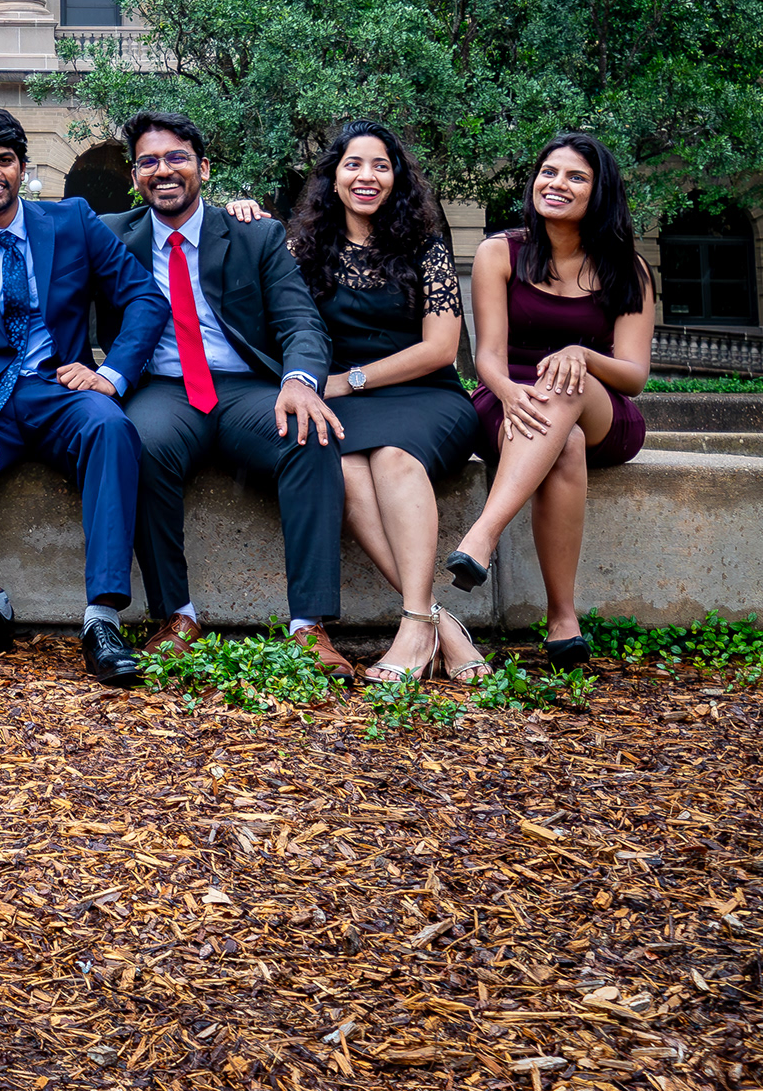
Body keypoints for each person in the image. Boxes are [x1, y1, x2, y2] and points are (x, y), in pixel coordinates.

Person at [0, 107, 169, 685]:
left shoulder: (71, 221)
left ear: (22, 167)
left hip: (59, 387)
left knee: (112, 428)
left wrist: (112, 375)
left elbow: (145, 298)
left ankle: (101, 618)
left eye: (3, 160)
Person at [225, 122, 487, 684]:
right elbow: (245, 286)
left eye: (380, 165)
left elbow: (440, 348)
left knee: (394, 458)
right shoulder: (300, 247)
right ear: (332, 178)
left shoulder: (426, 248)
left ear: (397, 179)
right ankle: (441, 625)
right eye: (353, 165)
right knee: (338, 466)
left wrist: (349, 381)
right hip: (342, 402)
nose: (366, 176)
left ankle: (415, 624)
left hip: (425, 397)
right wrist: (239, 216)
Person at [104, 111, 355, 680]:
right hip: (164, 389)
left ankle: (309, 625)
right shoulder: (112, 236)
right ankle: (177, 616)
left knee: (309, 436)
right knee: (136, 444)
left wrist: (298, 382)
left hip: (246, 388)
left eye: (177, 159)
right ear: (135, 174)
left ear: (203, 168)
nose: (163, 171)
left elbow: (301, 323)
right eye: (149, 161)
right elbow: (30, 228)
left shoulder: (253, 234)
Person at [443, 133, 653, 668]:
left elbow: (632, 375)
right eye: (548, 172)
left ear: (599, 193)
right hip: (508, 399)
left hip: (601, 404)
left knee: (569, 381)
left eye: (575, 177)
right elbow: (486, 355)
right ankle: (562, 618)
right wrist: (512, 393)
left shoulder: (627, 269)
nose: (556, 184)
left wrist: (580, 354)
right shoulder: (499, 251)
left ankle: (482, 537)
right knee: (565, 443)